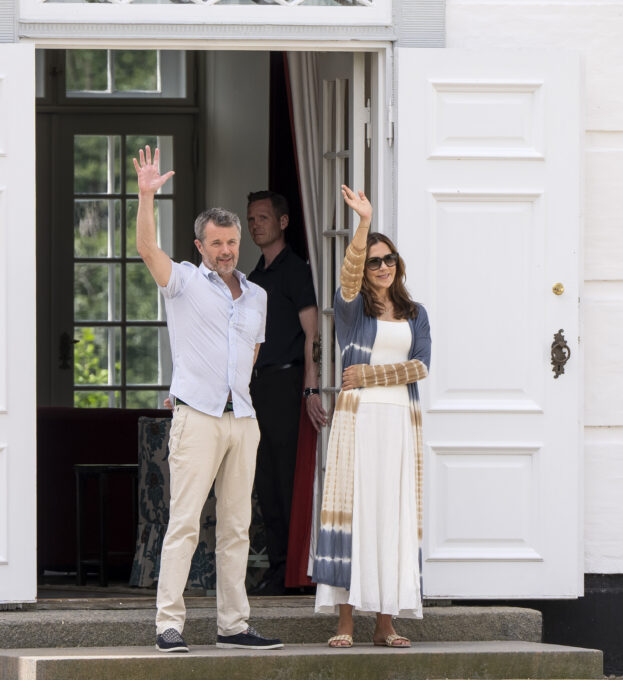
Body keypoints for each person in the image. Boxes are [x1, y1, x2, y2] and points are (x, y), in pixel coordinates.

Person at [133, 145, 283, 653]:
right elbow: (148, 250)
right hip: (196, 417)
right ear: (199, 245)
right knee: (185, 523)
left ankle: (234, 625)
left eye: (232, 242)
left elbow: (252, 355)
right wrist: (146, 196)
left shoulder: (257, 296)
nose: (225, 250)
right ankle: (168, 625)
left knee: (237, 527)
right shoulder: (184, 283)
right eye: (216, 243)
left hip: (242, 419)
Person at [312, 185, 431, 648]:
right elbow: (347, 276)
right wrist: (363, 225)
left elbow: (420, 366)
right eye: (375, 261)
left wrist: (369, 373)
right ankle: (345, 621)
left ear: (398, 265)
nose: (382, 267)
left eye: (389, 260)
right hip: (358, 423)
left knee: (392, 515)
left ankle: (385, 623)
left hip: (400, 423)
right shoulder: (351, 310)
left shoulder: (416, 313)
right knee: (356, 513)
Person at [246, 190, 327, 595]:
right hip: (259, 385)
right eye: (251, 219)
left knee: (286, 478)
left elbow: (313, 334)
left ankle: (297, 571)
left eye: (262, 217)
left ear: (282, 222)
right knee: (264, 479)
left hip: (288, 382)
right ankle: (279, 569)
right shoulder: (254, 276)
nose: (255, 225)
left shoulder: (295, 270)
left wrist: (311, 387)